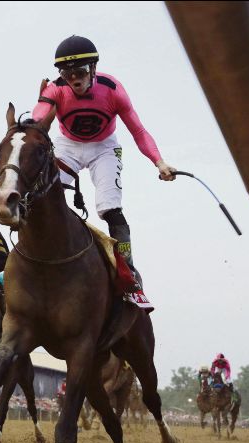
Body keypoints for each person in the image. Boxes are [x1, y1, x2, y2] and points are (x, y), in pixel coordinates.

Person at [32, 35, 177, 291]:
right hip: (68, 146)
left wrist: (159, 161)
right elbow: (38, 118)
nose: (74, 79)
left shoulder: (112, 89)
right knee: (44, 197)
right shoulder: (55, 88)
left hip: (104, 148)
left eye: (80, 71)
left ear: (94, 69)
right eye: (67, 74)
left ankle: (128, 271)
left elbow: (139, 131)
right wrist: (38, 116)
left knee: (110, 209)